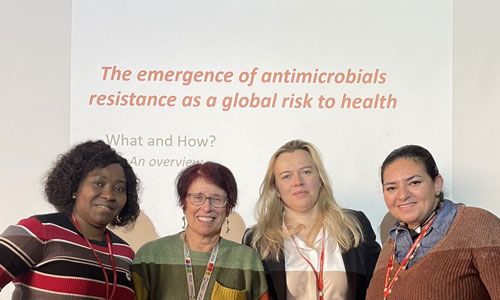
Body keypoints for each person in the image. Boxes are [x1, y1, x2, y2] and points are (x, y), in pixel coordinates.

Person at [0, 140, 140, 299]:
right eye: (98, 183)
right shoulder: (39, 231)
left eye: (119, 189)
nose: (109, 195)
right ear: (74, 188)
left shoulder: (124, 252)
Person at [243, 139, 380, 300]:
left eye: (306, 172)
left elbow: (378, 288)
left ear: (320, 179)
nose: (298, 182)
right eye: (287, 176)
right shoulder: (257, 241)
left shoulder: (355, 227)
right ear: (276, 189)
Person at [366, 145, 500, 300]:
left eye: (414, 183)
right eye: (391, 188)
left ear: (437, 184)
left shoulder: (478, 225)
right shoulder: (392, 243)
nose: (402, 195)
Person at [132, 162, 269, 300]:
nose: (207, 207)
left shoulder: (246, 260)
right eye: (198, 197)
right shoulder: (150, 256)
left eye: (217, 199)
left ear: (228, 208)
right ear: (184, 203)